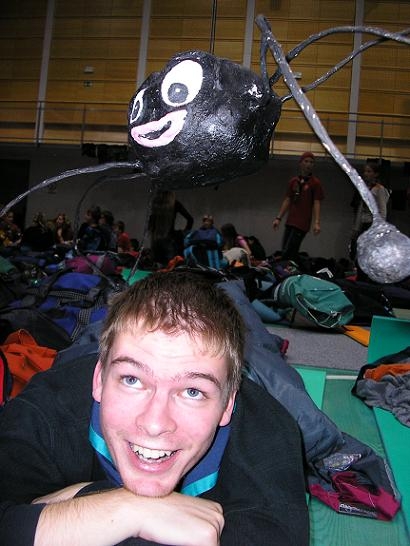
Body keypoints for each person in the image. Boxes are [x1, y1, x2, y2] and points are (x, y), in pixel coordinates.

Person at [0, 271, 309, 546]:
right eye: (132, 380)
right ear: (99, 381)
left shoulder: (271, 438)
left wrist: (63, 511)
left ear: (228, 405)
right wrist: (125, 509)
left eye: (192, 392)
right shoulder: (45, 410)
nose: (154, 423)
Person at [272, 151, 324, 263]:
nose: (309, 164)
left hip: (302, 223)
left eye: (311, 162)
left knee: (288, 251)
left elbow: (317, 202)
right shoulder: (294, 181)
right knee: (286, 249)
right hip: (291, 220)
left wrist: (317, 222)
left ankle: (288, 269)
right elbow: (287, 199)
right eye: (306, 161)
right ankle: (294, 268)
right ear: (300, 163)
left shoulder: (315, 183)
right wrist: (278, 218)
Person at [349, 160, 391, 261]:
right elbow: (360, 209)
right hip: (363, 223)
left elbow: (383, 210)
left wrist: (379, 228)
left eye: (369, 171)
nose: (366, 174)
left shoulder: (379, 189)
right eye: (365, 171)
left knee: (368, 253)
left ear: (375, 174)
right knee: (357, 251)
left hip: (372, 224)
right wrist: (356, 227)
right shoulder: (365, 188)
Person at [148, 190, 193, 266]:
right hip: (169, 239)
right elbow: (190, 219)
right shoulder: (174, 203)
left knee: (158, 267)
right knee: (171, 267)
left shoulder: (155, 204)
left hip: (156, 240)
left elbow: (151, 224)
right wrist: (184, 233)